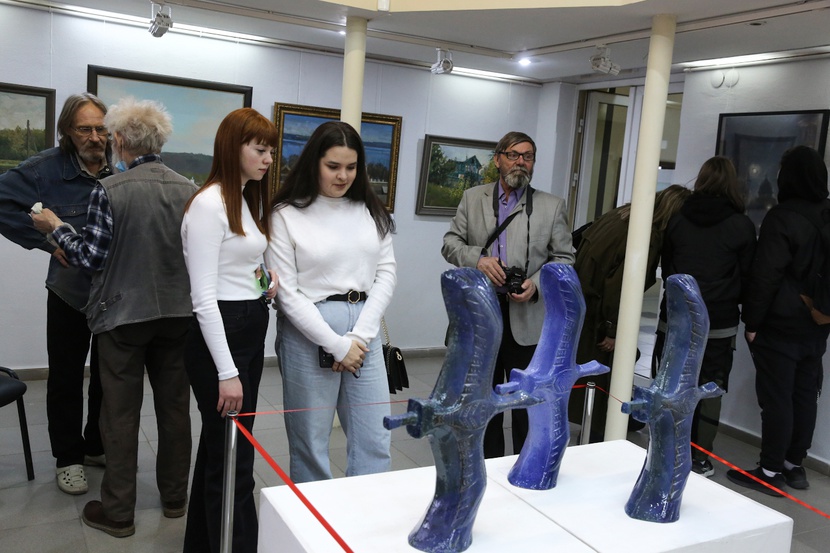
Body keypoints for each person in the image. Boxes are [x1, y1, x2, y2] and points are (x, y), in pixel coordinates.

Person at [32, 97, 197, 537]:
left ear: (120, 140)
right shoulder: (188, 190)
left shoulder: (109, 190)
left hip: (123, 318)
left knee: (120, 415)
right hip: (178, 317)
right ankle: (176, 499)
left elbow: (89, 258)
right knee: (175, 411)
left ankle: (119, 512)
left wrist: (57, 228)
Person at [266, 121, 396, 482]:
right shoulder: (285, 214)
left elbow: (386, 274)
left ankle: (365, 514)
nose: (343, 176)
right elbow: (287, 293)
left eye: (351, 167)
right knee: (310, 441)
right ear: (314, 163)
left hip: (364, 329)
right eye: (333, 166)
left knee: (375, 436)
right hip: (310, 328)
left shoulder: (371, 210)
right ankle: (314, 515)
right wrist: (337, 345)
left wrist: (358, 338)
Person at [0, 93, 111, 495]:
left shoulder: (121, 165)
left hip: (114, 294)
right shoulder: (44, 169)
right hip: (69, 294)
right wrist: (47, 242)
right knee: (65, 379)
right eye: (85, 129)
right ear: (67, 130)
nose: (95, 137)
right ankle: (69, 459)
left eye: (101, 128)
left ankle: (96, 446)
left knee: (108, 378)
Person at [442, 131, 574, 459]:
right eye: (513, 155)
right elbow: (450, 243)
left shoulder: (552, 205)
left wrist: (536, 284)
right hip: (481, 313)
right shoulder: (473, 198)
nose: (520, 162)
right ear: (498, 159)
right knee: (483, 398)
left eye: (527, 156)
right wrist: (478, 259)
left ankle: (525, 464)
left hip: (528, 318)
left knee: (525, 401)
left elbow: (565, 258)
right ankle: (487, 465)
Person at [181, 107, 278, 553]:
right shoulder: (208, 205)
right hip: (222, 335)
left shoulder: (241, 197)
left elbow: (242, 264)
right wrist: (227, 372)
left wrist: (266, 281)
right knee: (233, 460)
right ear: (232, 148)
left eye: (271, 150)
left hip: (247, 326)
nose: (268, 159)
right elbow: (203, 298)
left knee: (222, 450)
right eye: (260, 149)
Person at [727, 146, 830, 496]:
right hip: (818, 323)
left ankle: (769, 471)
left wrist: (752, 322)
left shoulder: (782, 217)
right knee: (805, 395)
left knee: (777, 398)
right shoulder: (828, 213)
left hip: (781, 324)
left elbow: (766, 275)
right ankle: (793, 466)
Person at [653, 157, 756, 477]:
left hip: (677, 317)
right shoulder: (742, 225)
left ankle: (666, 448)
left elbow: (668, 269)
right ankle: (699, 456)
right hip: (719, 321)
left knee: (671, 384)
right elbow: (748, 277)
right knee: (710, 388)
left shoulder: (678, 219)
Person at [568, 184, 691, 442]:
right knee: (603, 378)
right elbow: (621, 285)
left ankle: (606, 425)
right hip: (600, 312)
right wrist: (613, 329)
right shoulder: (645, 235)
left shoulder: (621, 215)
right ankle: (598, 437)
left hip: (583, 302)